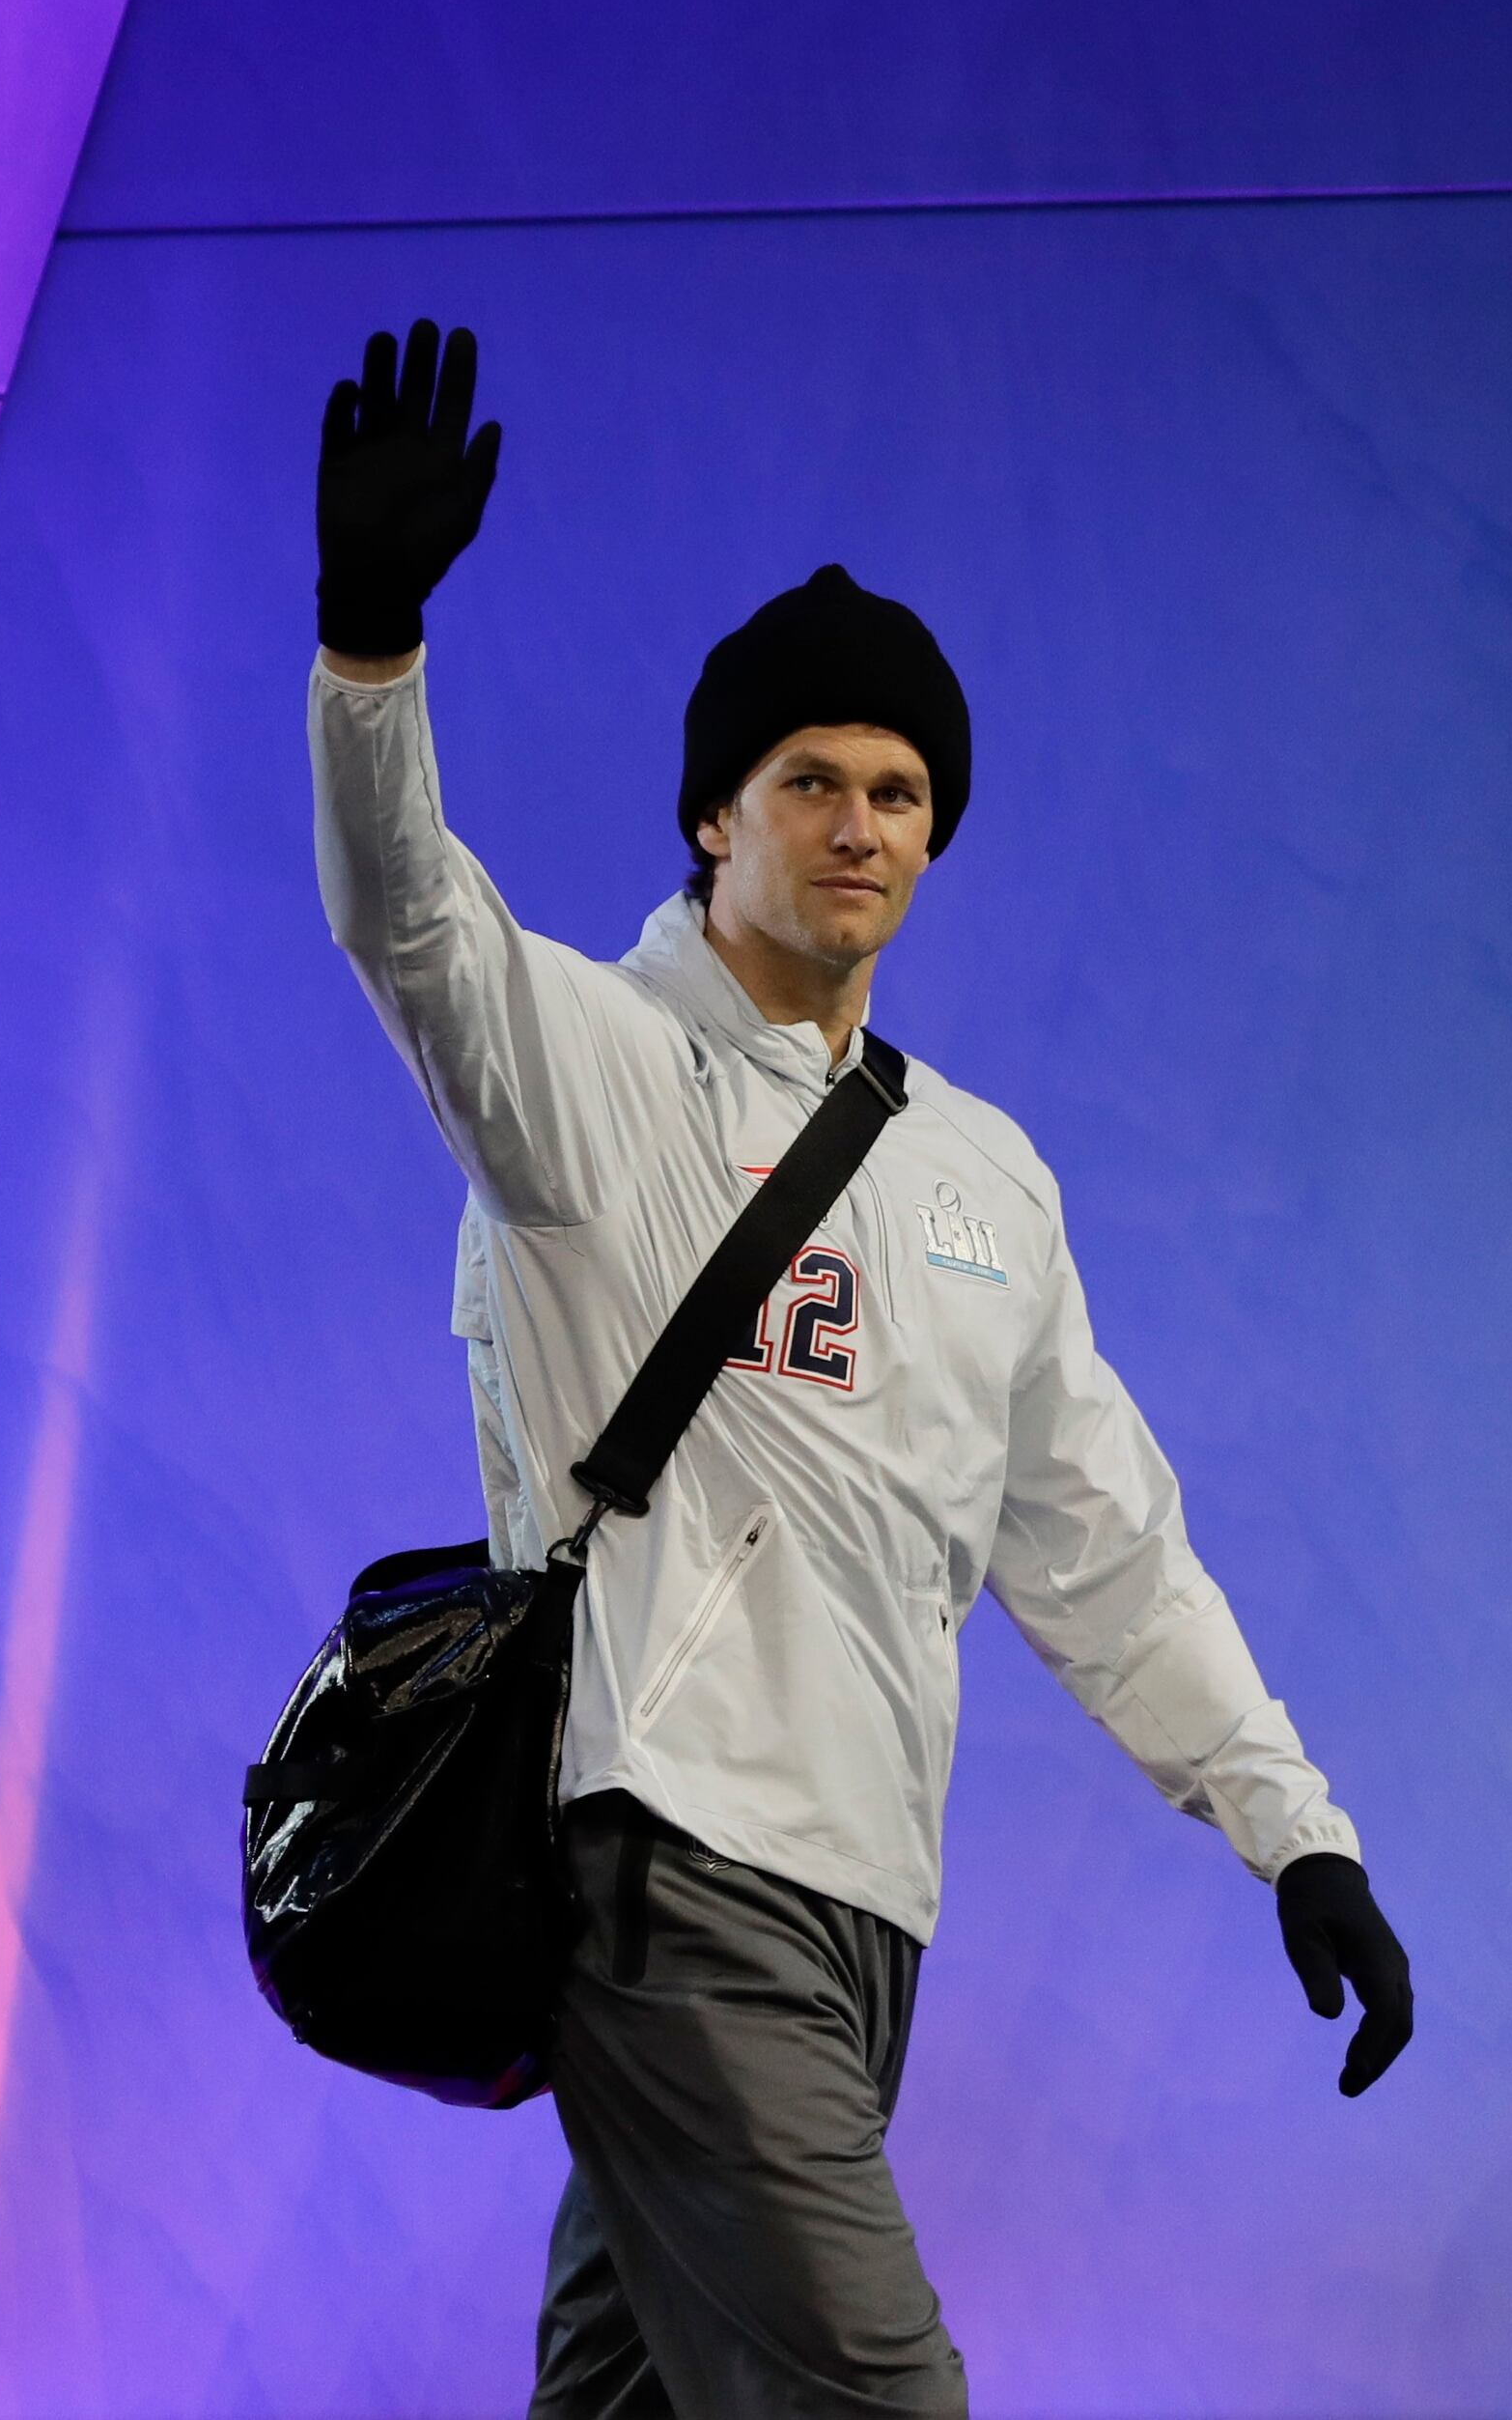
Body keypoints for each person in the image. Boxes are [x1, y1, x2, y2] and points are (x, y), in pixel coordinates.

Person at [302, 324, 1415, 2416]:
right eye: (809, 779)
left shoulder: (982, 1174)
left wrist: (1297, 1836)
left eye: (899, 791)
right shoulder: (593, 1074)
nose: (859, 822)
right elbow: (409, 928)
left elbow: (1105, 1547)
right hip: (660, 1854)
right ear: (712, 812)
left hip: (866, 1907)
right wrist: (373, 656)